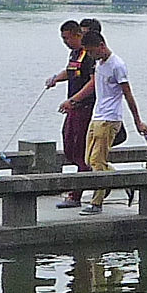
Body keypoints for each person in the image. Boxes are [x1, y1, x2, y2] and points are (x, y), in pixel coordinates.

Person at [61, 28, 147, 214]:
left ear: (102, 46)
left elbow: (128, 94)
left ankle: (96, 203)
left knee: (97, 160)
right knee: (88, 160)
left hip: (110, 119)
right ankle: (123, 182)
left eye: (93, 52)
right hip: (97, 116)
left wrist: (138, 121)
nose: (92, 56)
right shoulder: (99, 64)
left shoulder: (117, 65)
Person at [44, 18, 99, 208]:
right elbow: (70, 72)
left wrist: (74, 99)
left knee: (81, 151)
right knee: (69, 147)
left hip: (85, 108)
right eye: (62, 39)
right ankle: (100, 179)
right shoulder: (74, 54)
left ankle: (76, 195)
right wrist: (55, 79)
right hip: (73, 109)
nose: (65, 42)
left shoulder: (89, 54)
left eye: (67, 38)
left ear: (77, 34)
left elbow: (94, 82)